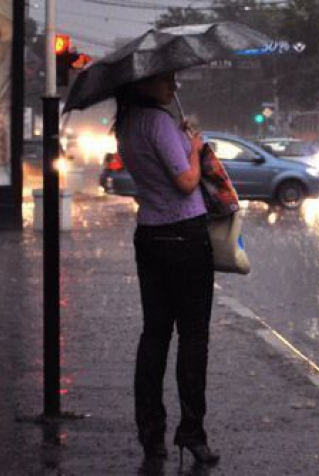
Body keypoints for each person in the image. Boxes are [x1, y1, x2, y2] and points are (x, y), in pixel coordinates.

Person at [112, 71, 220, 466]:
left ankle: (151, 432)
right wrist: (193, 146)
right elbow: (187, 181)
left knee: (154, 336)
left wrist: (182, 137)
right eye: (165, 81)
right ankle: (192, 432)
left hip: (150, 237)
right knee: (193, 339)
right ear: (141, 82)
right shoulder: (157, 121)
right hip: (185, 237)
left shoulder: (125, 125)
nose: (172, 88)